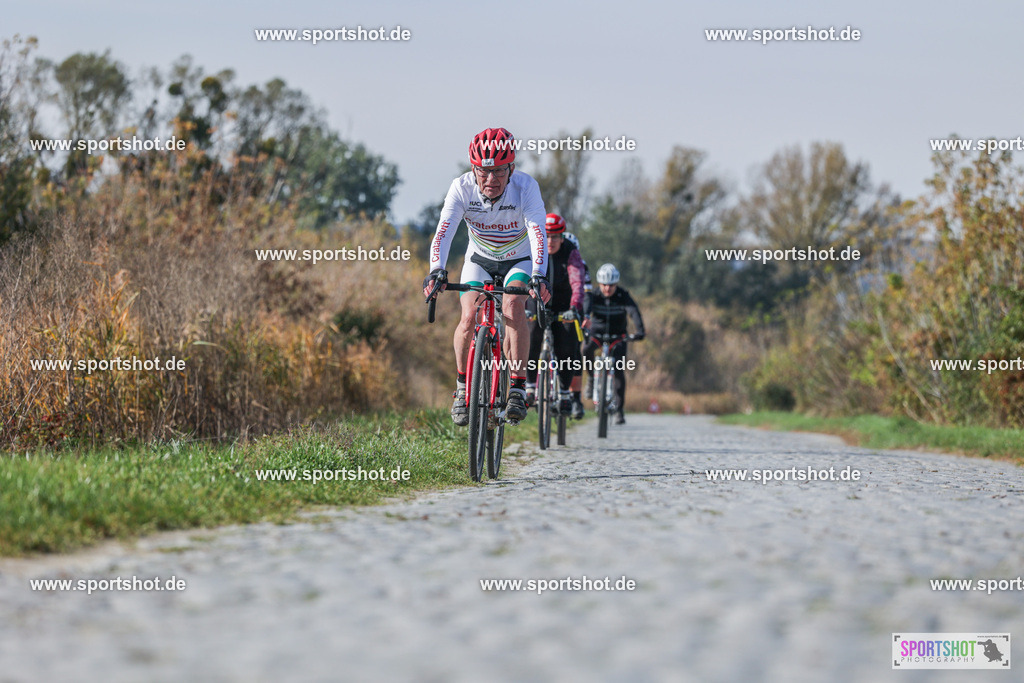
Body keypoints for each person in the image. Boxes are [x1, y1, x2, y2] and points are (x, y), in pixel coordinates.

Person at [422, 127, 550, 426]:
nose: (491, 179)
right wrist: (436, 269)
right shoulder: (461, 188)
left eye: (499, 172)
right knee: (468, 317)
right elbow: (444, 231)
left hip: (517, 259)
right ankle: (463, 387)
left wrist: (538, 275)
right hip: (478, 259)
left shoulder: (526, 187)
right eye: (483, 171)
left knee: (512, 307)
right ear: (473, 168)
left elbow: (538, 233)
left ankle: (517, 387)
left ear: (511, 169)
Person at [525, 213, 587, 420]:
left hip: (563, 305)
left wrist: (575, 307)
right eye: (547, 236)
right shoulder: (533, 247)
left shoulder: (571, 251)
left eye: (555, 237)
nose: (550, 242)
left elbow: (577, 282)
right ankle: (531, 386)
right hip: (536, 301)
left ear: (562, 237)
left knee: (567, 346)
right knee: (531, 335)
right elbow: (523, 275)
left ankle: (564, 393)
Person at [582, 263, 645, 425]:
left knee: (618, 370)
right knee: (586, 350)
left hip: (618, 337)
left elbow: (633, 311)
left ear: (616, 284)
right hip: (597, 334)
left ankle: (619, 410)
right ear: (599, 284)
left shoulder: (623, 295)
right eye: (604, 285)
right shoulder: (594, 294)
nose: (608, 289)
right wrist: (584, 319)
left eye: (611, 285)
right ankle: (590, 378)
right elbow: (586, 308)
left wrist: (640, 330)